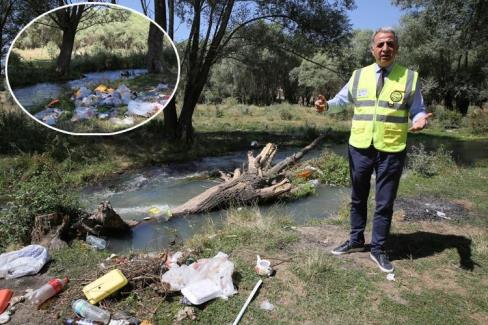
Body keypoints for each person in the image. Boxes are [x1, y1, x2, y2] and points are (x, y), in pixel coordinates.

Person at [317, 27, 432, 272]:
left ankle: (378, 248)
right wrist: (325, 106)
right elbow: (341, 101)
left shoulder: (409, 77)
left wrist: (420, 119)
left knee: (384, 202)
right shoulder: (359, 75)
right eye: (380, 44)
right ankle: (356, 240)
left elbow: (418, 109)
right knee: (357, 197)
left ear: (396, 49)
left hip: (391, 148)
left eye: (390, 44)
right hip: (360, 146)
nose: (385, 49)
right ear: (372, 49)